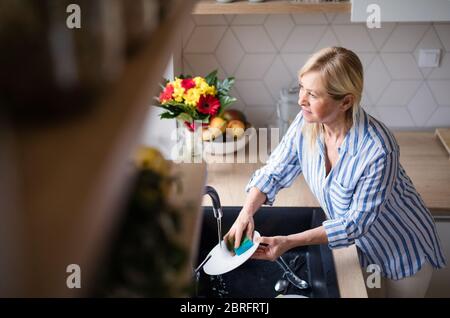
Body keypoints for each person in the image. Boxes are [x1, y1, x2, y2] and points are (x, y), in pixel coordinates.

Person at [224, 47, 446, 298]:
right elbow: (275, 171)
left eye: (313, 95)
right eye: (301, 88)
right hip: (358, 250)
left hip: (403, 249)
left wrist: (287, 242)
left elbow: (354, 223)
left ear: (346, 101)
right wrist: (246, 214)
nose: (301, 100)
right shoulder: (306, 123)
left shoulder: (377, 150)